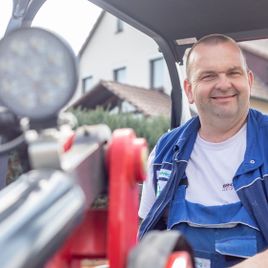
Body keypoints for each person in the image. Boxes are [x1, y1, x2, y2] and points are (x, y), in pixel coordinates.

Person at [138, 34, 268, 268]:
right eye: (209, 76)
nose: (224, 84)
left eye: (233, 73)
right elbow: (146, 233)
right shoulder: (164, 154)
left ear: (248, 81)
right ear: (188, 89)